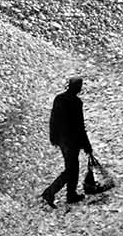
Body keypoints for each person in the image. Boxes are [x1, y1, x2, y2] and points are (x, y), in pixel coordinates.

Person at [40, 76, 94, 208]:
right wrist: (86, 145)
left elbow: (53, 119)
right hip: (72, 140)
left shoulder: (59, 98)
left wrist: (53, 137)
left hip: (62, 139)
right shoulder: (76, 102)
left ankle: (71, 193)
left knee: (72, 167)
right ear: (77, 87)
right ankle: (52, 192)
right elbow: (79, 126)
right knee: (71, 169)